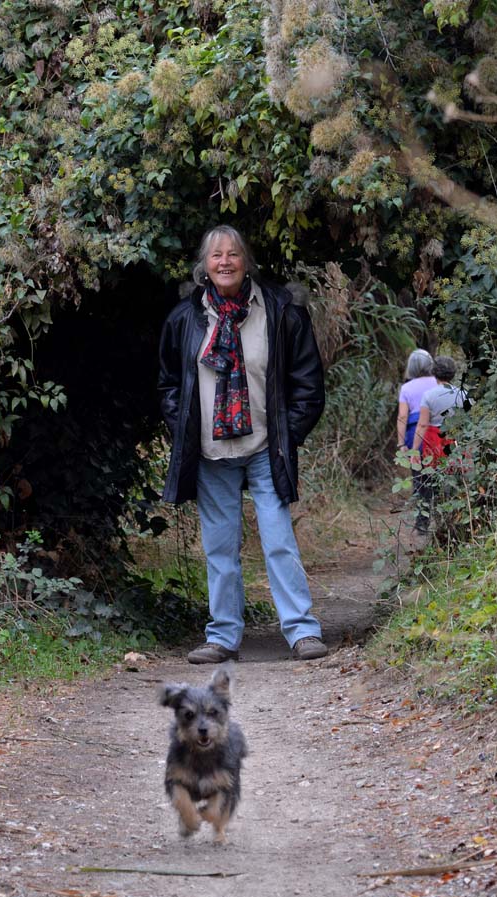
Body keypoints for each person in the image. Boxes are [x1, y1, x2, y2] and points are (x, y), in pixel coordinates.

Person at [158, 225, 327, 663]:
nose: (225, 262)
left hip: (265, 448)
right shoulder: (185, 318)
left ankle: (302, 631)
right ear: (204, 265)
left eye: (233, 254)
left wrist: (287, 436)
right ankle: (222, 637)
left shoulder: (280, 311)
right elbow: (169, 385)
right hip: (210, 453)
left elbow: (308, 385)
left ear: (246, 261)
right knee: (219, 548)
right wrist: (184, 428)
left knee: (278, 539)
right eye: (216, 255)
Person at [411, 355, 468, 534]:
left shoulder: (429, 395)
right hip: (453, 441)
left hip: (432, 442)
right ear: (453, 373)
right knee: (454, 480)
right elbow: (465, 423)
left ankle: (422, 523)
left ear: (434, 372)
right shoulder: (462, 394)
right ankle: (453, 521)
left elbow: (422, 424)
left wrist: (414, 450)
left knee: (427, 482)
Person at [396, 348, 437, 452]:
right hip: (438, 429)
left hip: (415, 432)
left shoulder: (406, 388)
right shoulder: (439, 383)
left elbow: (402, 416)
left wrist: (401, 444)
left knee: (417, 460)